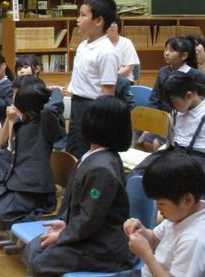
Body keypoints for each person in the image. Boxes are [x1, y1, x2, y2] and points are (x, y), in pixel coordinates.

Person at [24, 96, 135, 276]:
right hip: (87, 234)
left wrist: (63, 235)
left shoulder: (102, 169)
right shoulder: (94, 156)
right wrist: (65, 225)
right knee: (35, 248)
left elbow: (90, 217)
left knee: (41, 261)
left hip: (102, 245)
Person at [0, 80, 63, 243]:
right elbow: (7, 143)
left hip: (34, 187)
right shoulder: (24, 122)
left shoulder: (45, 122)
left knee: (2, 209)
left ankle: (17, 236)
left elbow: (50, 108)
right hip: (18, 178)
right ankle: (0, 230)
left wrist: (55, 91)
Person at [125, 152, 205, 277]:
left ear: (187, 200)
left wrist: (146, 255)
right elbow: (154, 239)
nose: (158, 208)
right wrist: (141, 231)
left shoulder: (194, 239)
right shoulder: (182, 214)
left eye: (161, 203)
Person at [134, 72, 205, 197]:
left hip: (199, 158)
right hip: (174, 151)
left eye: (175, 102)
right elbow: (171, 140)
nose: (174, 106)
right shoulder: (177, 111)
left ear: (189, 95)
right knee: (138, 173)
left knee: (194, 191)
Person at [66, 0, 119, 158]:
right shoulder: (83, 45)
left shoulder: (106, 51)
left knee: (86, 153)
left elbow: (108, 92)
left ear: (99, 21)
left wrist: (98, 121)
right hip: (77, 104)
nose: (78, 20)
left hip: (93, 109)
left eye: (83, 15)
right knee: (72, 150)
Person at [148, 36, 205, 113]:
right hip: (163, 115)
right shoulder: (163, 71)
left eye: (171, 50)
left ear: (184, 55)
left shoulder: (198, 76)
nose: (166, 53)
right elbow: (154, 98)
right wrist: (151, 113)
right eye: (166, 49)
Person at [106, 16, 140, 83]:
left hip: (123, 79)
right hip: (104, 79)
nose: (112, 25)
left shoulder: (126, 43)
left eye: (114, 23)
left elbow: (129, 67)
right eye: (109, 23)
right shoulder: (100, 43)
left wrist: (112, 77)